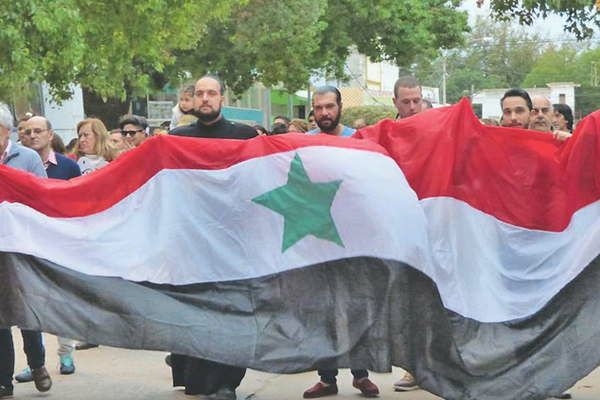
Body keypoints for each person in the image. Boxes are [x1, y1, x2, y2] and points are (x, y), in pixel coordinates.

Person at [168, 75, 257, 400]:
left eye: (212, 93)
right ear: (192, 99)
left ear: (222, 98)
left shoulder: (245, 136)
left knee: (233, 314)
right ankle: (198, 375)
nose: (205, 98)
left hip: (235, 243)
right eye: (200, 93)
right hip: (194, 244)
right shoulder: (178, 139)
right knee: (198, 314)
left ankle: (227, 382)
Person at [302, 86, 379, 399]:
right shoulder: (301, 143)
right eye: (319, 107)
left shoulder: (358, 140)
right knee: (322, 310)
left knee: (356, 307)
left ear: (340, 107)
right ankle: (327, 378)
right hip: (316, 238)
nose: (324, 113)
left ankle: (361, 374)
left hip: (353, 239)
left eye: (329, 106)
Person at [0, 104, 51, 399]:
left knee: (24, 310)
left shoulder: (27, 158)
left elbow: (42, 197)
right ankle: (3, 379)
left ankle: (37, 363)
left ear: (6, 130)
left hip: (21, 246)